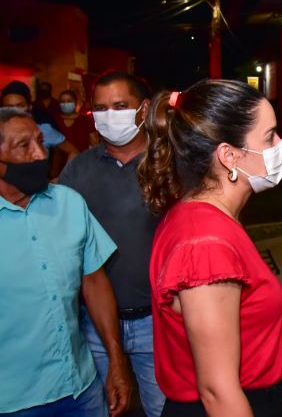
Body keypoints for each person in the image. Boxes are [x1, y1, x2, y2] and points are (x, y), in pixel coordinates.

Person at [138, 79, 282, 416]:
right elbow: (217, 392)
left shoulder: (202, 215)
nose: (280, 144)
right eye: (269, 137)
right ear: (229, 155)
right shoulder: (204, 245)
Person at [0, 107, 132, 416]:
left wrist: (116, 361)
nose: (39, 155)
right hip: (12, 402)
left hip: (80, 388)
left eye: (40, 141)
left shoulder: (68, 203)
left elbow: (94, 281)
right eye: (24, 146)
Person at [59, 71, 166, 416]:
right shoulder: (77, 171)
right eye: (101, 108)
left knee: (163, 409)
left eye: (120, 106)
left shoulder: (168, 165)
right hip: (94, 326)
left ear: (144, 108)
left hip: (159, 322)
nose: (109, 116)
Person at [2, 81, 79, 175]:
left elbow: (73, 151)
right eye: (8, 108)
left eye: (20, 106)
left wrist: (61, 178)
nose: (15, 112)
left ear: (29, 106)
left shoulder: (43, 129)